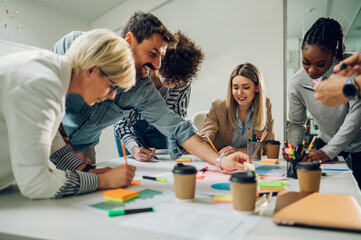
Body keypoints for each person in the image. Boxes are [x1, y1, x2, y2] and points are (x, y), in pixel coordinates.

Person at [51, 11, 251, 171]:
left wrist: (220, 160)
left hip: (85, 148)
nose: (157, 64)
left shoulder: (143, 88)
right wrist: (65, 153)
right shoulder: (77, 46)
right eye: (153, 53)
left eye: (161, 56)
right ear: (129, 39)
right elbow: (47, 100)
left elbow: (177, 126)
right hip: (48, 140)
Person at [0, 29, 137, 199]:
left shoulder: (50, 71)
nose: (112, 96)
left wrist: (88, 171)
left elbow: (45, 137)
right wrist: (102, 181)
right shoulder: (42, 84)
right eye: (112, 86)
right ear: (91, 70)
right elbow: (36, 182)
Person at [286, 17, 361, 187]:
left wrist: (329, 151)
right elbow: (297, 124)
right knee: (322, 185)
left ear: (334, 55)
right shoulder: (297, 83)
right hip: (327, 139)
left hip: (358, 140)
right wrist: (293, 149)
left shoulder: (351, 68)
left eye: (320, 64)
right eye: (306, 62)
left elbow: (355, 117)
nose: (312, 70)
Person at [114, 30, 204, 161]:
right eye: (169, 78)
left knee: (162, 163)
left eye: (177, 81)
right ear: (158, 63)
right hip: (129, 126)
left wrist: (184, 142)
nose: (173, 85)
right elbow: (122, 124)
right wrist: (134, 149)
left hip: (160, 128)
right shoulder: (136, 78)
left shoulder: (182, 81)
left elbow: (177, 116)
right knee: (134, 166)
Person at [200, 63, 274, 155]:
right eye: (235, 87)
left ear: (257, 87)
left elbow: (269, 146)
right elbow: (205, 139)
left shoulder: (265, 105)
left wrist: (241, 151)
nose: (239, 93)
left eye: (246, 87)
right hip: (224, 162)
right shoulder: (218, 106)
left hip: (252, 163)